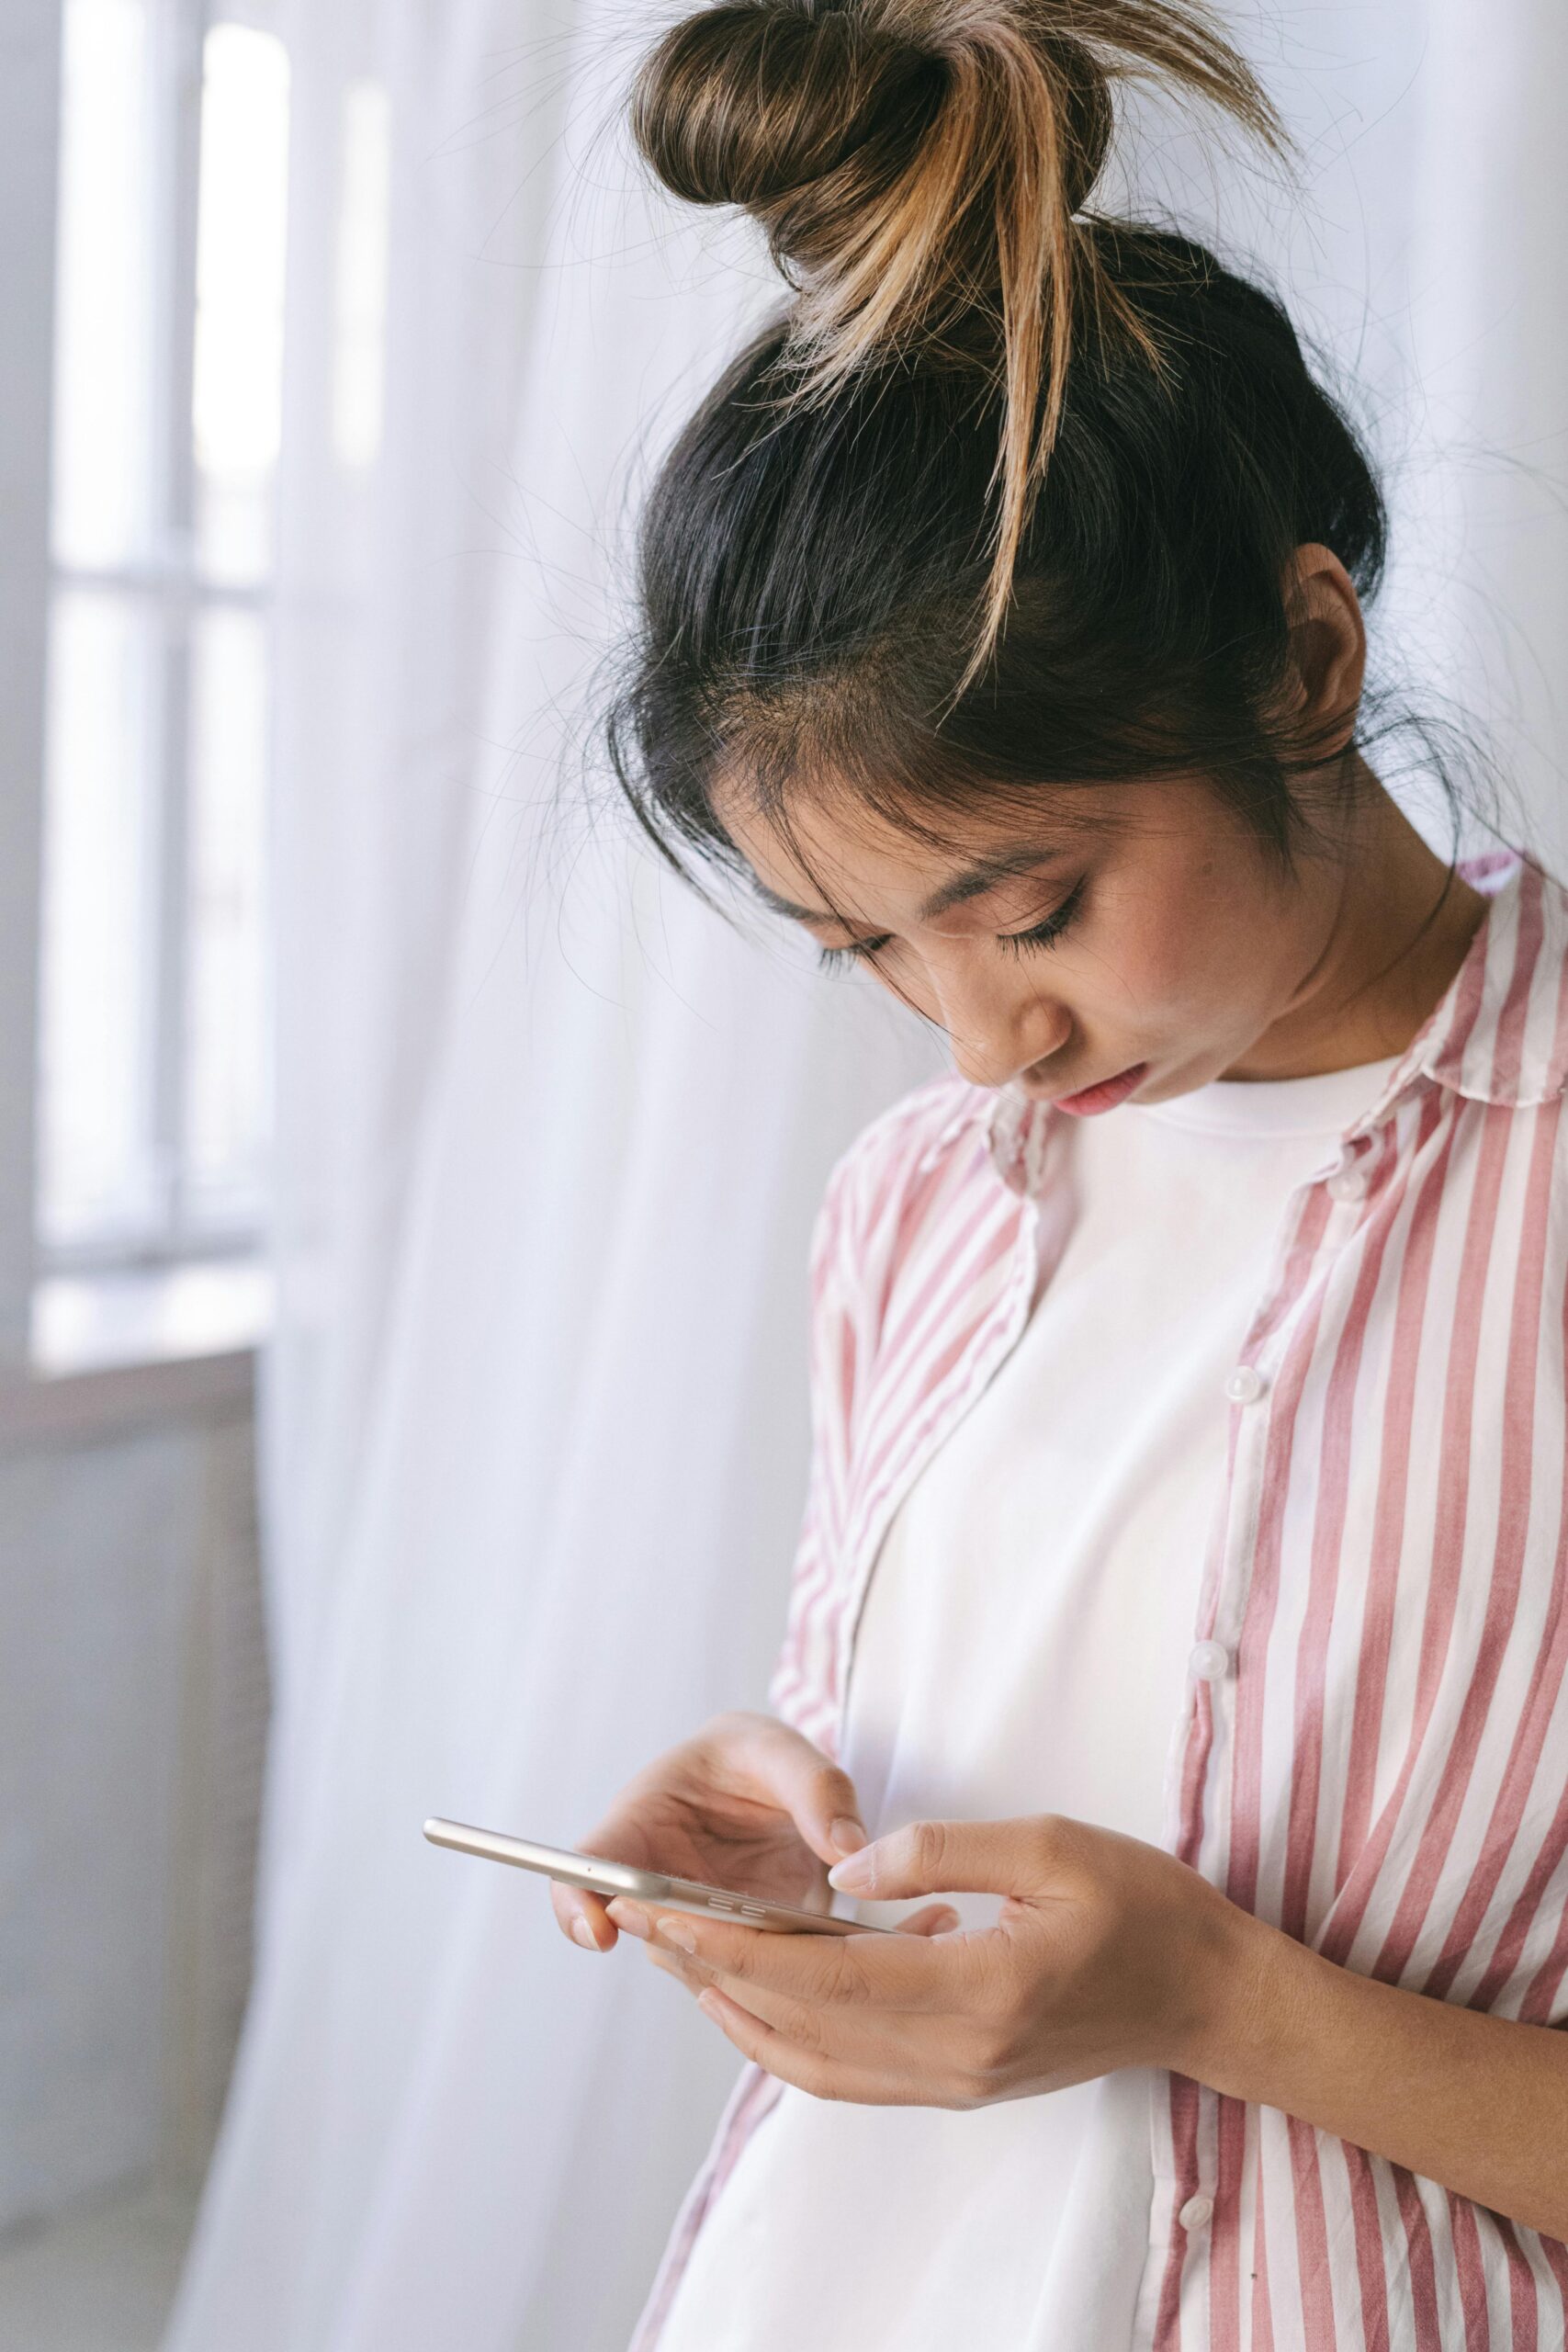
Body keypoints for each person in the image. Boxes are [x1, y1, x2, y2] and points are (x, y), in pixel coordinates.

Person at [553, 1, 1568, 2343]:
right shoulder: (918, 1199)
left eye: (1023, 906)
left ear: (1304, 654)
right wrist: (799, 1824)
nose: (979, 1035)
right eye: (857, 950)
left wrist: (1221, 1995)